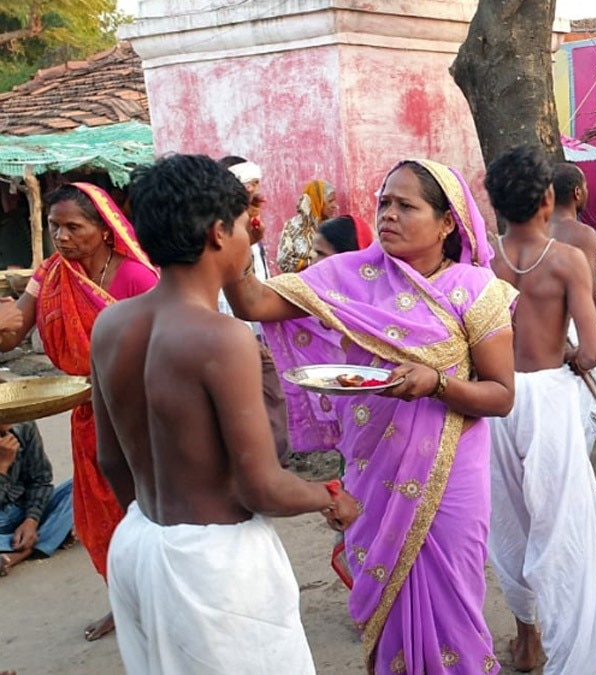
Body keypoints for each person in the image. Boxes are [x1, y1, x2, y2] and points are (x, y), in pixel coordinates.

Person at [224, 157, 516, 674]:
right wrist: (241, 236)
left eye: (407, 205)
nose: (389, 215)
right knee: (388, 607)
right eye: (384, 202)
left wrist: (438, 383)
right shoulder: (350, 275)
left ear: (447, 222)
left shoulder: (475, 290)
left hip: (449, 478)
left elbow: (500, 395)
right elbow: (251, 302)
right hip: (372, 468)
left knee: (452, 604)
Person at [90, 154, 358, 674]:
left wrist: (159, 526)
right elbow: (261, 487)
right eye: (242, 225)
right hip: (214, 565)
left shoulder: (111, 325)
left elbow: (111, 459)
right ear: (218, 232)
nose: (247, 237)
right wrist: (330, 497)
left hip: (139, 541)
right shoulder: (221, 337)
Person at [485, 145, 596, 674]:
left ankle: (527, 640)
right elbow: (592, 350)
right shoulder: (567, 260)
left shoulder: (484, 261)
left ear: (496, 203)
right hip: (547, 399)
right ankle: (575, 652)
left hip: (496, 398)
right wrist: (569, 355)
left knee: (510, 519)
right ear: (548, 199)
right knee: (561, 524)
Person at [0, 182, 158, 641]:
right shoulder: (51, 274)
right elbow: (13, 332)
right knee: (102, 517)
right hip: (89, 417)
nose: (62, 237)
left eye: (74, 227)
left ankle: (161, 599)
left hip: (141, 416)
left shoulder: (137, 277)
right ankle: (125, 604)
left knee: (149, 510)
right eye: (55, 227)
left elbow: (162, 346)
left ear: (105, 230)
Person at [216, 156, 292, 466]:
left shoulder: (250, 228)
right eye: (249, 185)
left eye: (257, 184)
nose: (256, 192)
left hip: (253, 319)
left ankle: (272, 454)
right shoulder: (232, 232)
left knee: (268, 391)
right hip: (234, 322)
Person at [550, 162, 596, 452]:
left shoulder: (537, 229)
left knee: (559, 397)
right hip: (574, 321)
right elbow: (590, 288)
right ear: (576, 192)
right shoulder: (583, 234)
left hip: (542, 326)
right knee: (586, 399)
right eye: (585, 186)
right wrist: (595, 324)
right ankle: (579, 471)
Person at [0, 422, 73, 576]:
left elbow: (41, 480)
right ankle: (50, 536)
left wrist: (31, 520)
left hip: (24, 508)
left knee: (82, 488)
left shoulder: (24, 425)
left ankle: (22, 551)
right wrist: (2, 466)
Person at [278, 179, 338, 273]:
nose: (335, 206)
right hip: (302, 284)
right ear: (317, 202)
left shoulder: (334, 226)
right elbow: (284, 262)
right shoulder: (293, 226)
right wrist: (311, 262)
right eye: (330, 201)